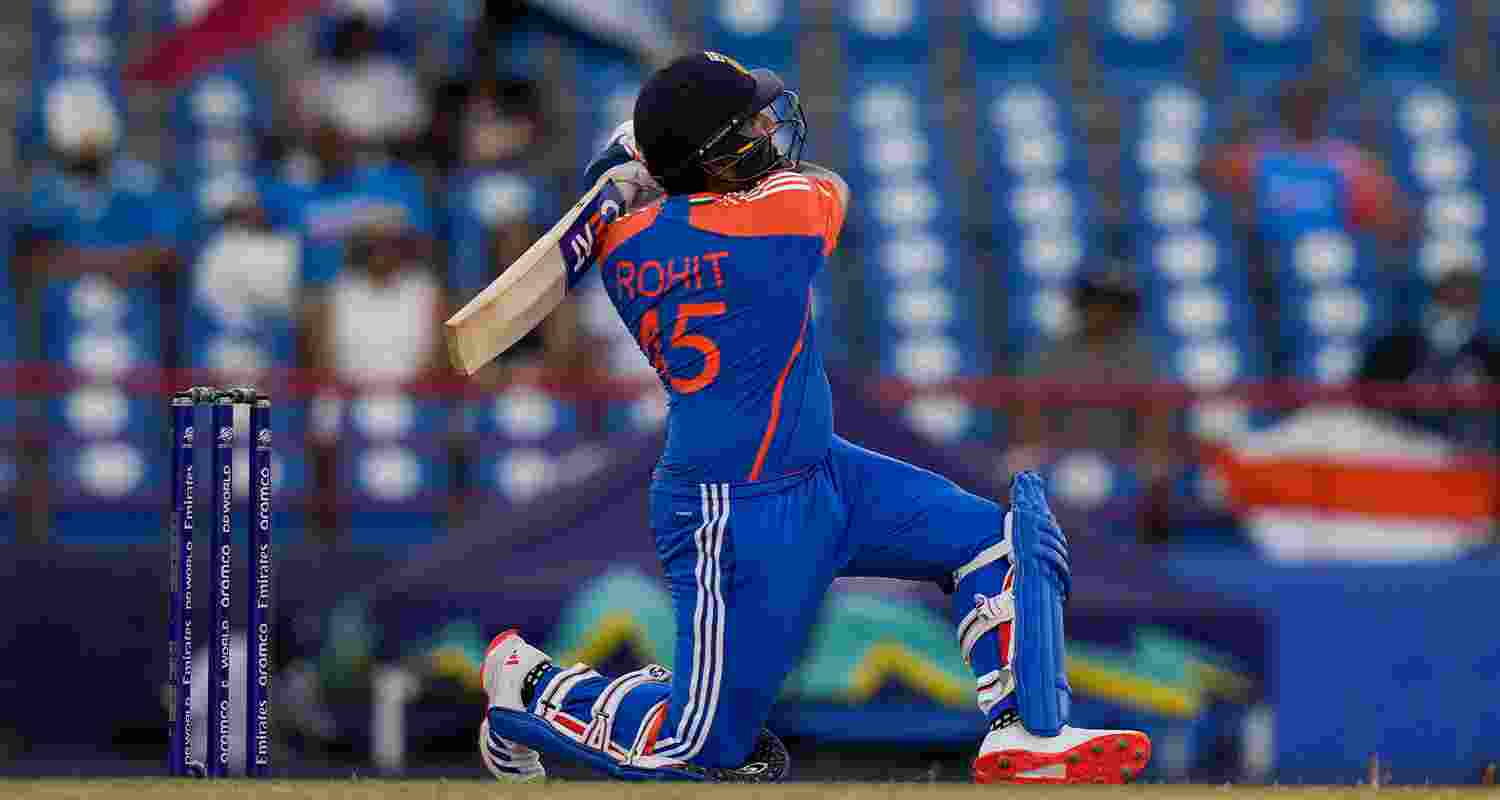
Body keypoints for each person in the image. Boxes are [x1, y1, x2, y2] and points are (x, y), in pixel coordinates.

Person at [475, 52, 1152, 785]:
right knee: (703, 749)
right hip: (733, 510)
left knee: (995, 541)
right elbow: (831, 184)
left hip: (821, 469)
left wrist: (619, 172)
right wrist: (631, 160)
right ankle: (531, 685)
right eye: (750, 127)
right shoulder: (781, 218)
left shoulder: (622, 241)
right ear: (715, 156)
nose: (768, 132)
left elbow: (641, 190)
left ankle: (1027, 734)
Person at [1204, 76, 1412, 247]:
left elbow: (1389, 218)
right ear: (1283, 113)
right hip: (1265, 259)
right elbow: (1212, 187)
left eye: (1308, 109)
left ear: (1321, 113)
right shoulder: (1254, 156)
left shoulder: (1349, 163)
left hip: (1328, 254)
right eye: (1296, 108)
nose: (1302, 114)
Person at [1011, 267, 1172, 483]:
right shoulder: (1052, 352)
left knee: (1156, 470)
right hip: (1058, 457)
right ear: (1081, 306)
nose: (1103, 311)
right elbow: (1031, 414)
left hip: (1124, 458)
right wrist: (1038, 451)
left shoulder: (1141, 356)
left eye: (1113, 304)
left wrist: (1149, 455)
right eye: (1095, 302)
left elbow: (1155, 418)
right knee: (1019, 466)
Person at [1360, 262, 1500, 450]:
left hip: (1465, 448)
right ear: (1434, 299)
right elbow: (1368, 399)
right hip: (1404, 443)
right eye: (1449, 299)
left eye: (1465, 302)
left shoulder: (1488, 355)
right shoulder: (1396, 347)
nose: (1455, 311)